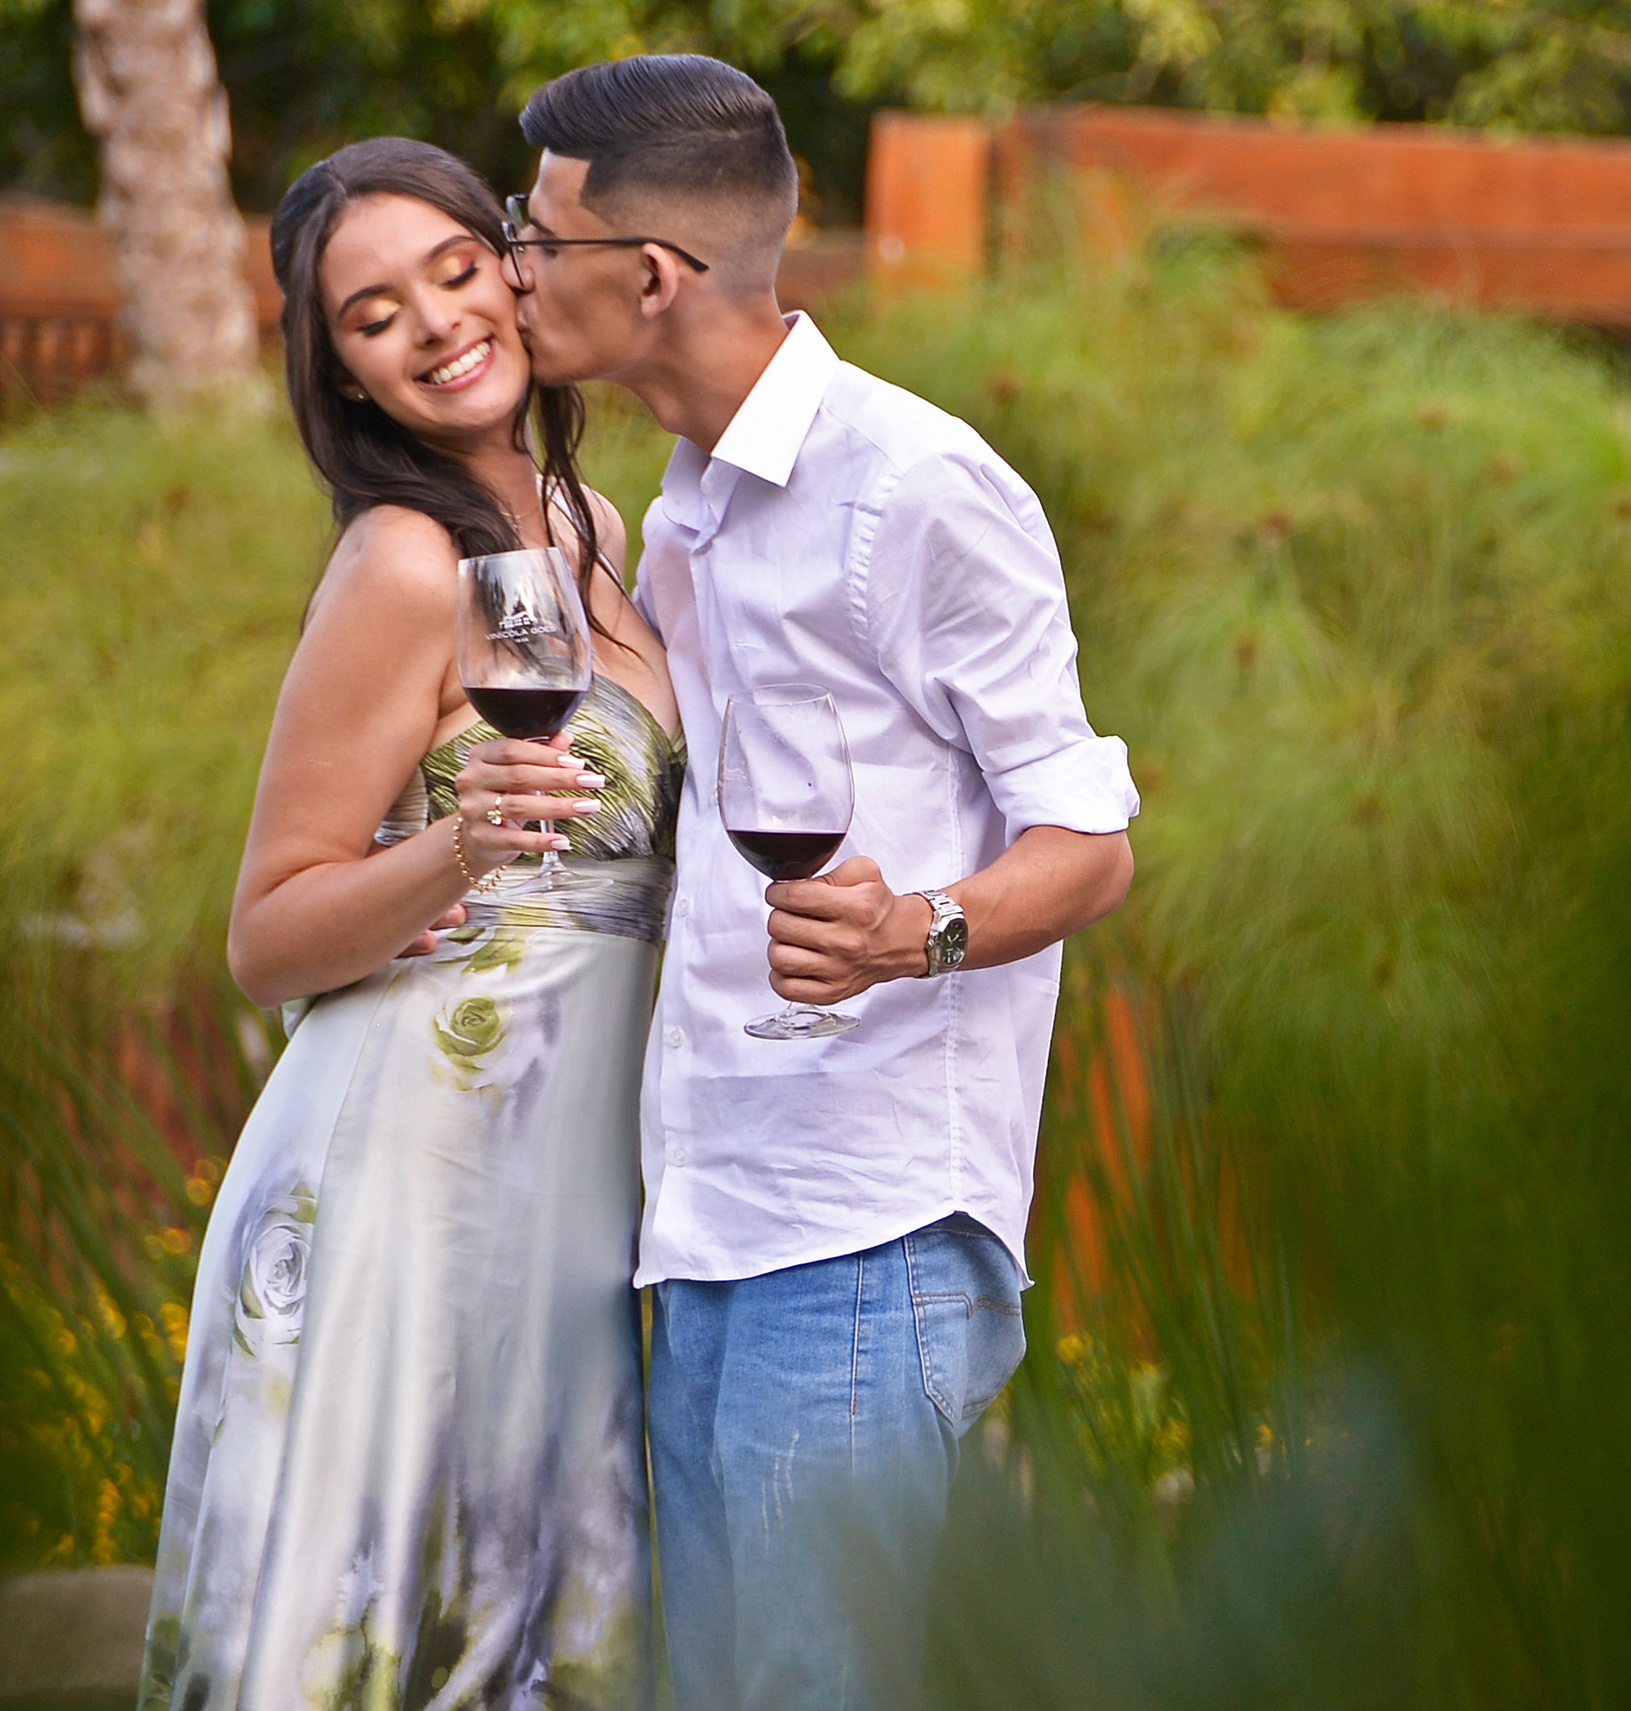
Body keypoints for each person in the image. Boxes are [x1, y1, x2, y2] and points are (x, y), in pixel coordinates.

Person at [507, 54, 1138, 1710]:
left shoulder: (916, 487)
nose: (510, 268)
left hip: (864, 1230)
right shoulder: (687, 506)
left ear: (645, 278)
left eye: (535, 235)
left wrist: (918, 930)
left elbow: (1088, 836)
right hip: (710, 1208)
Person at [139, 138, 680, 1711]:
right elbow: (268, 931)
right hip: (404, 1196)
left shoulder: (596, 527)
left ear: (517, 264)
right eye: (374, 316)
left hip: (560, 1212)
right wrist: (455, 845)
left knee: (531, 1634)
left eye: (454, 269)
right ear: (346, 375)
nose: (438, 324)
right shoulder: (401, 559)